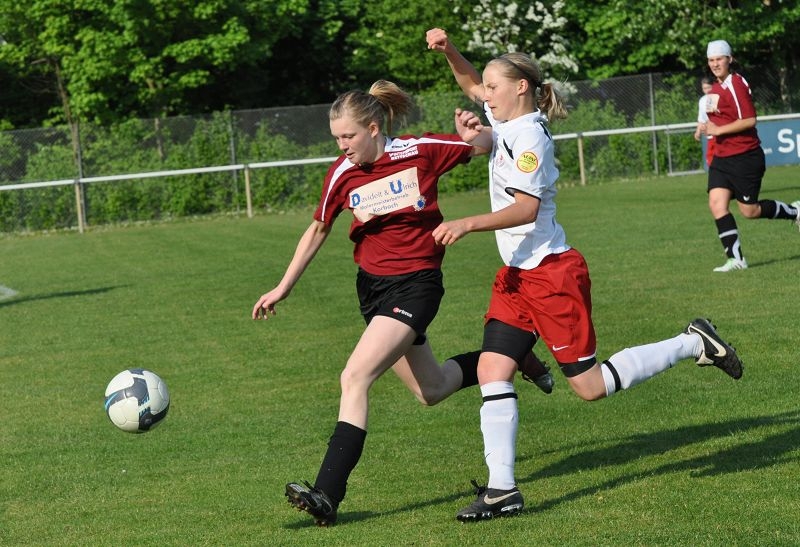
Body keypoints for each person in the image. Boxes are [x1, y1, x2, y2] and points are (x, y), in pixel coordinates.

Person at [426, 27, 744, 522]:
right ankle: (502, 490)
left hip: (551, 274)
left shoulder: (529, 134)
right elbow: (469, 85)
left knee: (590, 388)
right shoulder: (505, 116)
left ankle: (692, 341)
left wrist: (468, 222)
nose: (482, 94)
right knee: (492, 369)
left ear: (521, 88)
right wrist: (449, 52)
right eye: (485, 87)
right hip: (516, 275)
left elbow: (527, 209)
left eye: (493, 87)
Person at [251, 79, 552, 527]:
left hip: (416, 286)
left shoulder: (420, 151)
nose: (342, 146)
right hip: (373, 291)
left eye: (348, 136)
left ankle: (327, 494)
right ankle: (511, 354)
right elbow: (318, 229)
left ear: (374, 128)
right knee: (431, 390)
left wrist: (476, 131)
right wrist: (283, 286)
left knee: (354, 376)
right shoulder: (341, 172)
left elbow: (486, 146)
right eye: (336, 138)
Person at [701, 39, 800, 272]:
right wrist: (703, 126)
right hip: (723, 158)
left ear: (729, 59)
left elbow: (749, 120)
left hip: (745, 157)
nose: (715, 64)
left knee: (750, 211)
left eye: (719, 59)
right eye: (711, 60)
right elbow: (717, 117)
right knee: (716, 204)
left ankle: (795, 211)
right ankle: (736, 260)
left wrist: (718, 131)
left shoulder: (735, 83)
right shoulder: (715, 87)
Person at [694, 76, 716, 168]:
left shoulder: (715, 97)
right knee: (710, 160)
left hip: (717, 134)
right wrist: (698, 131)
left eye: (708, 87)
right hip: (709, 136)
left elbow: (713, 118)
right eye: (704, 88)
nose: (706, 90)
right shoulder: (702, 100)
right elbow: (701, 118)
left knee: (717, 160)